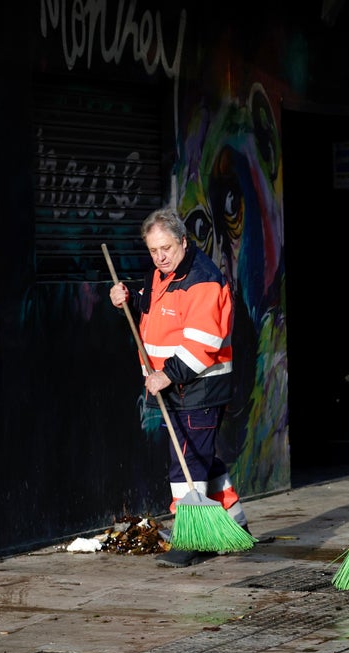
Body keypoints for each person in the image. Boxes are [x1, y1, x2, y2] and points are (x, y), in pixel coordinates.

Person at [110, 207, 250, 567]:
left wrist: (165, 375)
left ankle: (191, 538)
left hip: (198, 387)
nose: (160, 257)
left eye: (166, 249)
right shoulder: (162, 275)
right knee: (202, 458)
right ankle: (235, 521)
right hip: (178, 388)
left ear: (184, 242)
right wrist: (129, 297)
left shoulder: (202, 280)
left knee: (185, 462)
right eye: (154, 250)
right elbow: (156, 308)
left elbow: (202, 344)